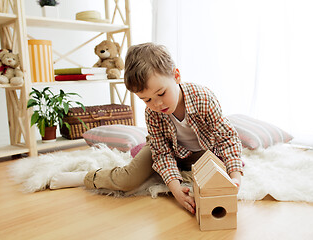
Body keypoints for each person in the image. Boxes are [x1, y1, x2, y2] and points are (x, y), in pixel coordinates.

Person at [49, 42, 244, 215]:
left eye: (161, 93)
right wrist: (176, 190)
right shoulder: (152, 113)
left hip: (201, 151)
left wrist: (235, 178)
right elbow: (162, 153)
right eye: (147, 99)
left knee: (220, 172)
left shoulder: (203, 98)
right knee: (128, 180)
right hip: (165, 148)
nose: (157, 104)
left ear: (176, 76)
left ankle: (158, 164)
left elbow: (227, 139)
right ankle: (86, 177)